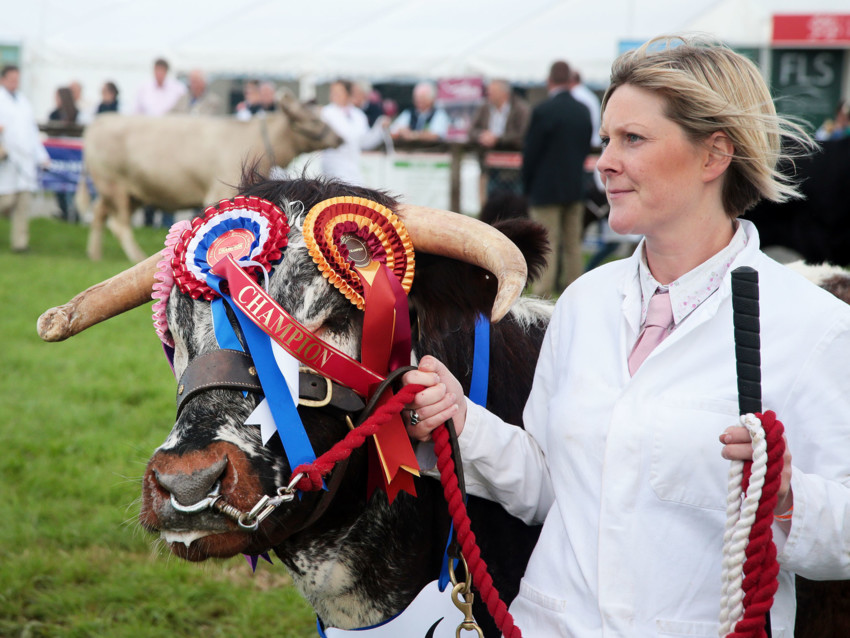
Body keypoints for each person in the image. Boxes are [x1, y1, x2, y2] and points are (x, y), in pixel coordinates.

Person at [402, 36, 850, 636]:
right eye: (606, 139)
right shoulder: (585, 301)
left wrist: (788, 496)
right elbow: (552, 487)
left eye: (632, 139)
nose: (605, 161)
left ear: (715, 154)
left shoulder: (811, 327)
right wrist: (462, 421)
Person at [522, 60, 592, 295]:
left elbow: (531, 153)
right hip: (575, 186)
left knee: (547, 245)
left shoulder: (543, 111)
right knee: (573, 245)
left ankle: (542, 296)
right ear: (571, 81)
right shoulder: (583, 111)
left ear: (549, 81)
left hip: (545, 189)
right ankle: (576, 293)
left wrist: (527, 185)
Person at [0, 65, 50, 252]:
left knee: (23, 205)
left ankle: (19, 244)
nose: (15, 82)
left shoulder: (23, 101)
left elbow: (32, 132)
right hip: (6, 161)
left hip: (25, 160)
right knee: (6, 201)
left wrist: (42, 157)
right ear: (3, 80)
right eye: (11, 79)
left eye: (17, 79)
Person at [468, 79, 530, 201]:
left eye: (492, 92)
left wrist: (498, 139)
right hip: (489, 165)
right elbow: (471, 130)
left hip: (514, 166)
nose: (488, 95)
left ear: (504, 93)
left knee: (515, 201)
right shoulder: (485, 107)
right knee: (491, 201)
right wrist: (482, 135)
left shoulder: (521, 108)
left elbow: (522, 134)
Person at [319, 79, 386, 185]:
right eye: (332, 92)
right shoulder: (325, 113)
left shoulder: (359, 115)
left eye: (338, 92)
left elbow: (365, 142)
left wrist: (379, 128)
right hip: (333, 167)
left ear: (348, 93)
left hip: (354, 169)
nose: (334, 95)